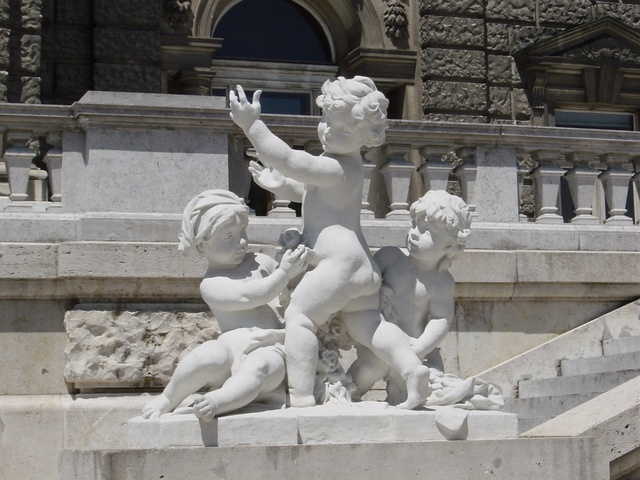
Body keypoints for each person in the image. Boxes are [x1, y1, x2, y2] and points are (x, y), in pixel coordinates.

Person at [230, 76, 431, 409]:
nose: (328, 131)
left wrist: (252, 126)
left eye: (343, 129)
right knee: (369, 325)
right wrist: (283, 188)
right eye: (325, 120)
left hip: (338, 264)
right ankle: (412, 368)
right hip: (360, 265)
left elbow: (290, 160)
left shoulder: (336, 167)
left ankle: (301, 397)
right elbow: (313, 193)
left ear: (366, 137)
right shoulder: (348, 168)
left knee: (300, 317)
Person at [142, 189, 307, 420]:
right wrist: (284, 273)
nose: (241, 242)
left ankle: (217, 402)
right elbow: (251, 296)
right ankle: (169, 398)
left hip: (271, 348)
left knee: (261, 366)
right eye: (228, 236)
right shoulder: (212, 284)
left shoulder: (261, 261)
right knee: (207, 355)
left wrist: (293, 257)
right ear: (203, 244)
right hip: (230, 353)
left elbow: (292, 289)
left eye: (242, 232)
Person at [347, 190, 472, 405]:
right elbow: (365, 293)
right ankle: (345, 395)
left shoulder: (442, 282)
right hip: (380, 346)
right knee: (368, 369)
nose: (414, 234)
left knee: (434, 388)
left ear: (450, 245)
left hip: (419, 350)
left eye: (425, 230)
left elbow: (440, 320)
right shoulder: (390, 258)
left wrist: (420, 348)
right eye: (414, 225)